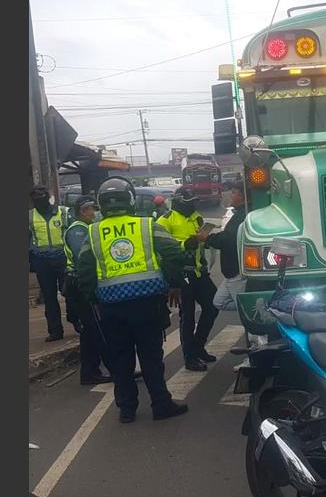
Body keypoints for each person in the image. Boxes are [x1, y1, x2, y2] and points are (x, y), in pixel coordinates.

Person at [76, 177, 188, 423]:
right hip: (147, 304)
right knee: (151, 357)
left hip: (111, 307)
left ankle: (127, 410)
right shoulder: (147, 225)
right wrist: (174, 283)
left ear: (101, 204)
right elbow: (174, 254)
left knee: (120, 359)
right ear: (130, 200)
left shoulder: (93, 232)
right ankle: (161, 405)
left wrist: (93, 297)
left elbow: (84, 269)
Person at [158, 187, 219, 371]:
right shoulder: (165, 220)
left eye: (194, 202)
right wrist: (186, 243)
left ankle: (198, 346)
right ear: (179, 202)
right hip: (181, 274)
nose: (193, 205)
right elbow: (162, 247)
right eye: (190, 202)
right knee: (188, 316)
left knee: (213, 306)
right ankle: (190, 357)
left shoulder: (196, 217)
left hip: (199, 272)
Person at [64, 196, 112, 385]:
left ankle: (95, 371)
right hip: (80, 285)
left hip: (84, 283)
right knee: (94, 329)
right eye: (92, 209)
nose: (95, 212)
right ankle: (95, 372)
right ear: (83, 211)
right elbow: (82, 258)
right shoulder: (77, 230)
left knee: (94, 330)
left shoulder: (87, 228)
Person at [29, 185, 73, 342]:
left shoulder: (63, 212)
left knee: (69, 291)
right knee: (49, 297)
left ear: (48, 198)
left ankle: (76, 321)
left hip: (62, 258)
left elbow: (71, 235)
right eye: (36, 200)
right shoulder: (30, 216)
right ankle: (55, 331)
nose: (39, 202)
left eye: (41, 198)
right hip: (42, 260)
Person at [200, 186, 246, 311]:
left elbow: (227, 239)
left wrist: (207, 238)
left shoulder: (242, 215)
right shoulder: (239, 214)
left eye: (234, 192)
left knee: (245, 309)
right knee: (219, 302)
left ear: (242, 196)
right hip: (230, 273)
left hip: (236, 272)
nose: (230, 196)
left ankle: (259, 314)